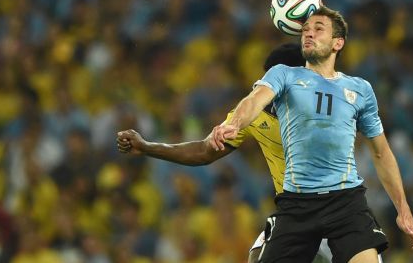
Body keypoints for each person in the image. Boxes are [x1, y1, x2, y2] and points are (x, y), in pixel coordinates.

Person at [209, 6, 413, 263]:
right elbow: (254, 100)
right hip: (297, 204)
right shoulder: (284, 74)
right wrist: (234, 123)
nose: (309, 34)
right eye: (305, 30)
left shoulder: (360, 89)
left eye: (318, 29)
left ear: (338, 42)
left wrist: (403, 210)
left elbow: (381, 152)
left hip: (345, 201)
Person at [117, 43, 333, 263]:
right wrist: (146, 146)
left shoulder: (330, 108)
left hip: (334, 209)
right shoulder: (253, 114)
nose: (264, 88)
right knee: (258, 257)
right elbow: (204, 150)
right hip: (293, 214)